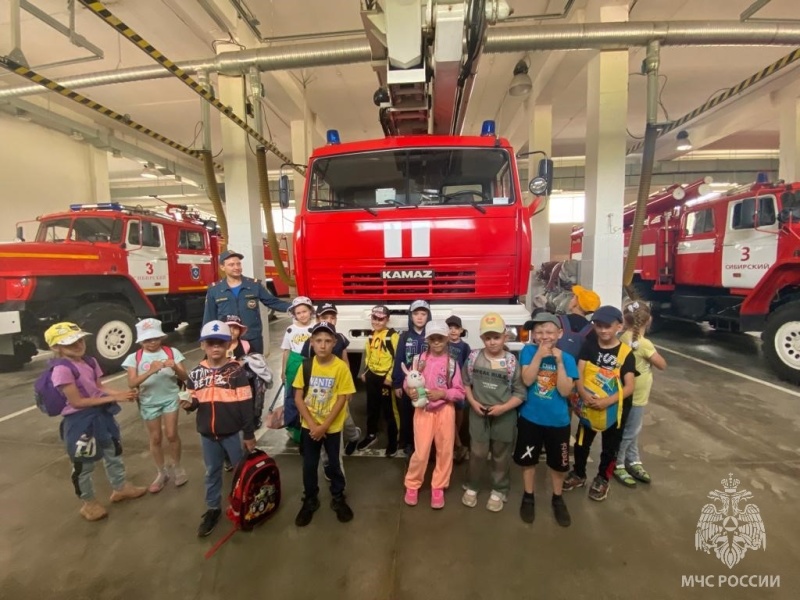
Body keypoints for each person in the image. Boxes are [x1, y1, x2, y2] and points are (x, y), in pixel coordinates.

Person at [44, 322, 146, 522]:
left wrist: (122, 393)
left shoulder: (89, 361)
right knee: (84, 463)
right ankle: (88, 503)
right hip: (80, 420)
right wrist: (115, 398)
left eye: (79, 339)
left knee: (112, 450)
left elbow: (99, 387)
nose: (78, 344)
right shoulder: (62, 370)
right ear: (56, 348)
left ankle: (120, 487)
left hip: (100, 415)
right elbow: (77, 401)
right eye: (70, 342)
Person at [181, 321, 256, 537]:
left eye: (221, 343)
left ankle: (244, 506)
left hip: (233, 433)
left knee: (241, 472)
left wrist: (248, 434)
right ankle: (213, 508)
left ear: (228, 345)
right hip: (207, 434)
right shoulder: (195, 374)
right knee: (212, 471)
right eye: (211, 343)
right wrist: (189, 404)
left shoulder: (236, 372)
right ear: (203, 345)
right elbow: (194, 401)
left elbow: (245, 404)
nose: (216, 348)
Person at [563, 305, 636, 502]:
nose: (603, 330)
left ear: (619, 326)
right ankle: (578, 473)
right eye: (598, 326)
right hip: (589, 405)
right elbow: (579, 371)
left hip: (614, 410)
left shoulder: (626, 353)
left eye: (607, 326)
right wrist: (582, 393)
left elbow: (629, 387)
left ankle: (603, 478)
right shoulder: (590, 345)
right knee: (581, 443)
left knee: (610, 447)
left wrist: (607, 401)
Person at [515, 312, 578, 527]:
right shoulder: (528, 351)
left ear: (559, 333)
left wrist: (559, 363)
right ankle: (528, 495)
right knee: (528, 460)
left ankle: (557, 498)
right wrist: (540, 356)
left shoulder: (567, 358)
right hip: (531, 418)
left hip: (558, 421)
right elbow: (527, 379)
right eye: (539, 332)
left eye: (549, 332)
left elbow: (565, 391)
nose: (544, 336)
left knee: (559, 465)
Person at [292, 321, 357, 527]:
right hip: (309, 427)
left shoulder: (341, 368)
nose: (323, 345)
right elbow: (298, 397)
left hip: (332, 427)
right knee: (309, 465)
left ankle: (338, 497)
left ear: (334, 343)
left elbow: (342, 398)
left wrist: (324, 426)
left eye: (328, 341)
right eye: (318, 340)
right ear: (311, 342)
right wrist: (312, 425)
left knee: (334, 464)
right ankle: (310, 499)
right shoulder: (306, 365)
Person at [462, 313, 524, 513]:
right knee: (478, 452)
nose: (492, 342)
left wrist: (503, 408)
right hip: (478, 413)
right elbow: (465, 383)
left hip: (504, 416)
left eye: (496, 337)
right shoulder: (473, 357)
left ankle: (499, 489)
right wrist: (472, 402)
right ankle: (472, 485)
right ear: (482, 339)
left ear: (505, 336)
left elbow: (520, 393)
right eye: (487, 338)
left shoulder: (512, 362)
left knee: (500, 454)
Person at [403, 321, 465, 510]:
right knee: (421, 452)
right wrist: (409, 392)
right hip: (423, 411)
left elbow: (460, 392)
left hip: (445, 411)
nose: (436, 342)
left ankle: (438, 486)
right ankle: (412, 484)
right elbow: (409, 382)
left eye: (440, 338)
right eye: (433, 339)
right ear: (427, 340)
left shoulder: (452, 364)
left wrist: (443, 394)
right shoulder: (418, 361)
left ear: (447, 339)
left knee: (445, 451)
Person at [122, 318, 189, 493]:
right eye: (147, 340)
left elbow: (185, 377)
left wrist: (174, 367)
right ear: (140, 341)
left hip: (170, 398)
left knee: (172, 434)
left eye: (155, 338)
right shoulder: (134, 358)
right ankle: (161, 472)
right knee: (156, 438)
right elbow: (131, 382)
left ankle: (177, 466)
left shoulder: (172, 352)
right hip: (148, 402)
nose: (151, 343)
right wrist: (151, 370)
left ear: (161, 337)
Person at [614, 301, 667, 487]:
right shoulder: (643, 344)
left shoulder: (622, 338)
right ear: (648, 320)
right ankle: (618, 463)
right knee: (630, 431)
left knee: (631, 429)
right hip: (636, 395)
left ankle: (633, 459)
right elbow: (662, 364)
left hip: (626, 392)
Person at [300, 302, 361, 461]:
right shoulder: (310, 342)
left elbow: (346, 362)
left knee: (344, 418)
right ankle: (327, 461)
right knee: (320, 421)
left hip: (337, 389)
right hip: (318, 391)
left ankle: (353, 436)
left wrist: (348, 389)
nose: (329, 320)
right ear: (317, 318)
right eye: (325, 317)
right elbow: (305, 366)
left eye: (332, 317)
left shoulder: (339, 338)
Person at [203, 249, 292, 354]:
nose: (236, 267)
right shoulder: (215, 290)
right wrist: (206, 339)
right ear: (222, 267)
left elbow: (273, 302)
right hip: (227, 339)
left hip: (253, 338)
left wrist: (296, 306)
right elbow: (209, 317)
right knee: (230, 369)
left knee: (255, 368)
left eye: (238, 264)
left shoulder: (254, 285)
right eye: (231, 265)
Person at [358, 304, 400, 455]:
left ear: (387, 320)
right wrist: (366, 371)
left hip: (385, 378)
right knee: (372, 407)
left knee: (389, 410)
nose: (377, 322)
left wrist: (389, 377)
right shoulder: (371, 335)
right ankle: (371, 434)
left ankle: (394, 439)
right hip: (372, 376)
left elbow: (397, 358)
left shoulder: (392, 336)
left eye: (380, 319)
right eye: (374, 318)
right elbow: (369, 355)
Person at [391, 299, 432, 456]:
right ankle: (409, 442)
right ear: (410, 316)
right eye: (416, 314)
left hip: (426, 383)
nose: (420, 317)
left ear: (429, 316)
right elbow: (399, 359)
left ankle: (424, 442)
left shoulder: (431, 336)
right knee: (408, 414)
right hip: (408, 384)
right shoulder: (405, 337)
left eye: (423, 314)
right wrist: (397, 383)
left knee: (425, 413)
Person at [281, 296, 316, 440]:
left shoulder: (316, 327)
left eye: (304, 311)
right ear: (294, 314)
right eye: (299, 312)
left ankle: (310, 424)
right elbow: (286, 351)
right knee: (293, 396)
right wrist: (283, 371)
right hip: (293, 366)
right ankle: (294, 426)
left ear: (310, 311)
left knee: (310, 395)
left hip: (312, 363)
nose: (302, 315)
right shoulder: (290, 330)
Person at [446, 315, 471, 464]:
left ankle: (455, 439)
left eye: (456, 328)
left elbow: (467, 366)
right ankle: (458, 444)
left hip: (459, 385)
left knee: (459, 414)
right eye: (450, 328)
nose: (453, 331)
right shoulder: (443, 343)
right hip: (446, 386)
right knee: (449, 415)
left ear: (461, 330)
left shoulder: (464, 347)